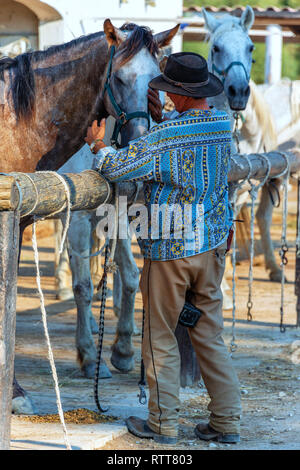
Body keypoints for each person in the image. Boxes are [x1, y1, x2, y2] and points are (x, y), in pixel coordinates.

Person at [85, 52, 242, 445]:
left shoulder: (164, 138)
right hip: (211, 246)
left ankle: (162, 423)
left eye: (172, 92)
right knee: (209, 335)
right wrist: (164, 120)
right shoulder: (223, 124)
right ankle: (227, 423)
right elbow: (188, 141)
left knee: (159, 337)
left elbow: (118, 167)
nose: (168, 97)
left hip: (170, 250)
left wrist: (98, 145)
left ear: (183, 96)